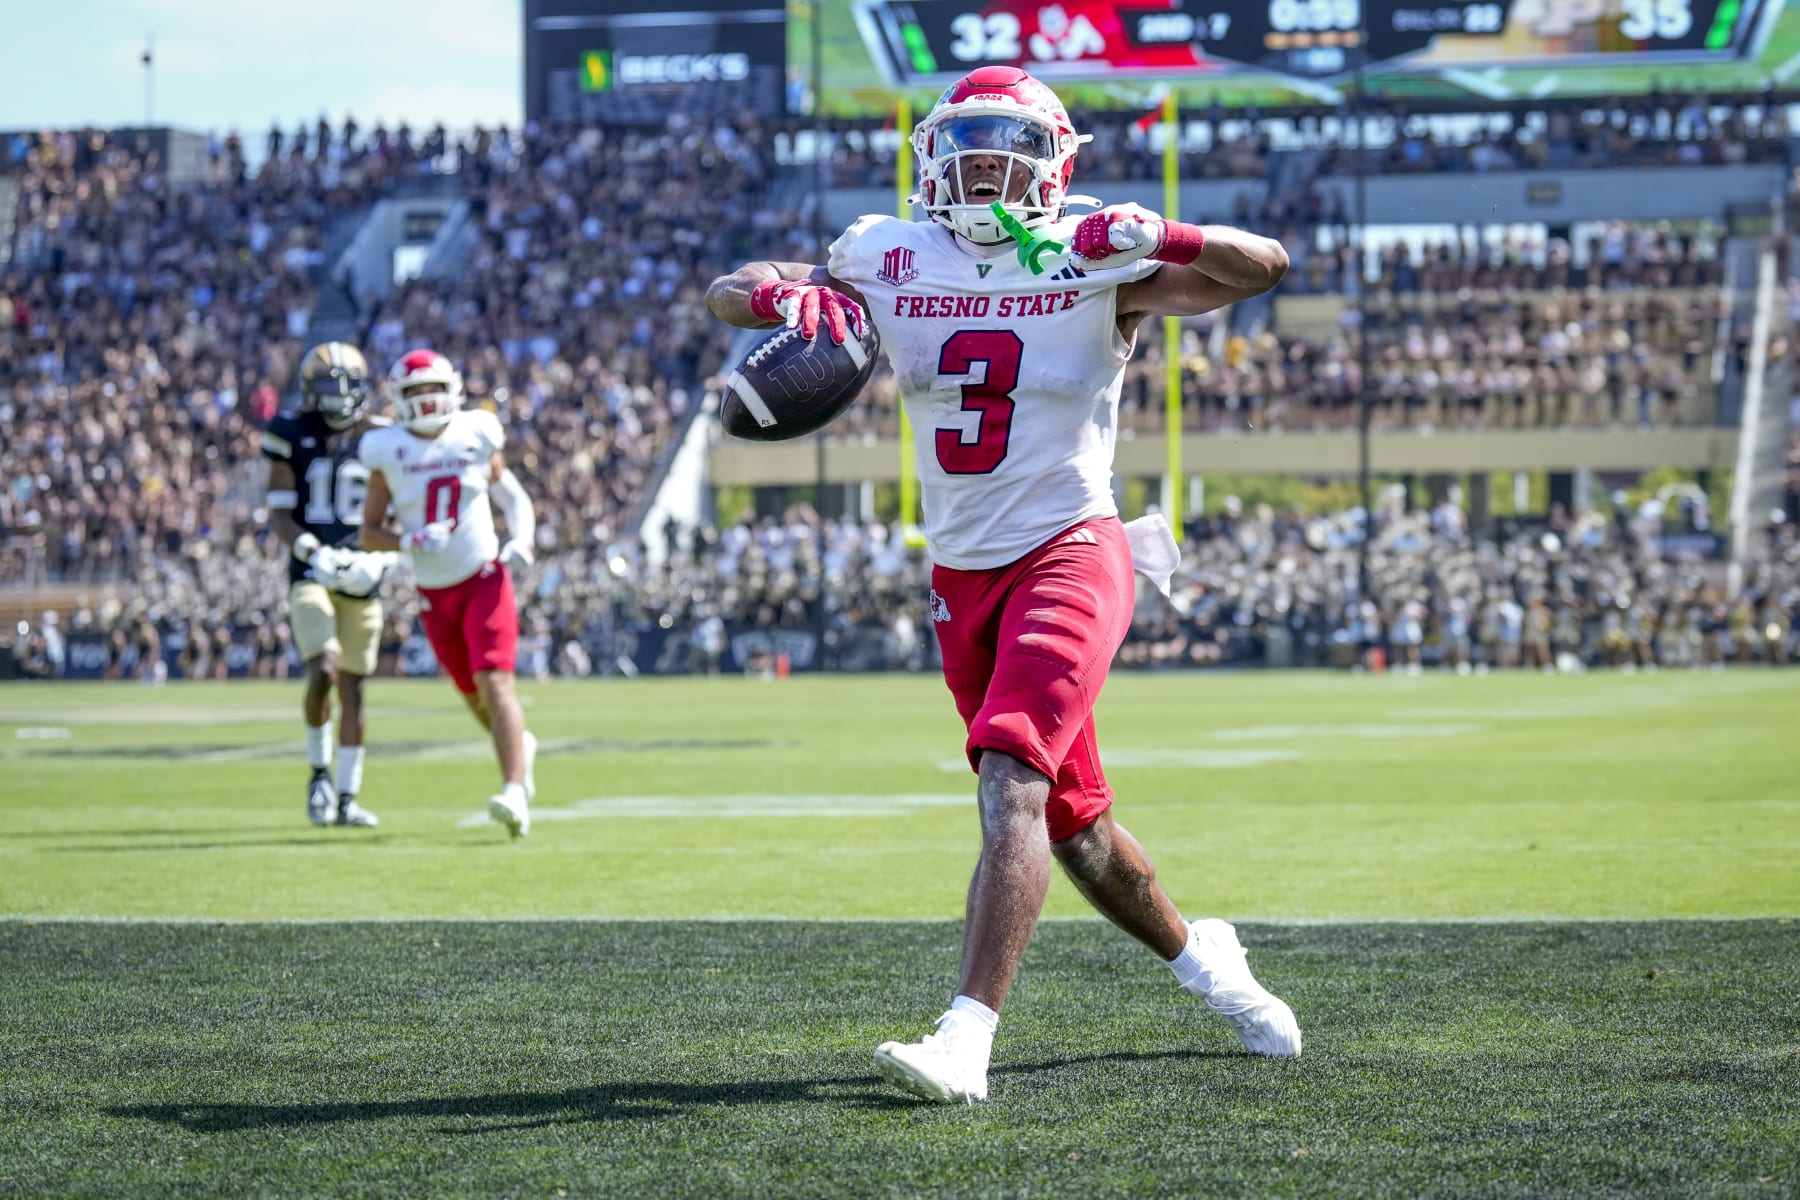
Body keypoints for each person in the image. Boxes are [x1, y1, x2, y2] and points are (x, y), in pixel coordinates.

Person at [706, 66, 1300, 1105]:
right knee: (1076, 832)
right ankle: (1209, 962)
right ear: (934, 159)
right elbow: (729, 289)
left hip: (1072, 546)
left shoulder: (1089, 251)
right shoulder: (887, 252)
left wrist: (1164, 235)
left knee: (1009, 782)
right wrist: (778, 295)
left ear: (1050, 165)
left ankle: (965, 1040)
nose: (984, 170)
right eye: (967, 150)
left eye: (1005, 152)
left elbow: (1263, 267)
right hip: (962, 573)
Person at [358, 349, 540, 838]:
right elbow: (369, 531)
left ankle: (515, 791)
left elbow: (514, 497)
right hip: (432, 590)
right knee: (471, 693)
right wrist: (407, 541)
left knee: (495, 682)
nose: (425, 400)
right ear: (398, 398)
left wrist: (520, 540)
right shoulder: (387, 449)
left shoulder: (474, 434)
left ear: (452, 391)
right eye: (415, 392)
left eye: (433, 389)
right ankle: (521, 749)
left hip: (483, 575)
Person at [262, 342, 391, 828]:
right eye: (327, 387)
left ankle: (348, 797)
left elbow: (396, 510)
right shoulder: (289, 432)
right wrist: (313, 551)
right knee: (324, 672)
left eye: (345, 386)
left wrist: (385, 563)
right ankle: (319, 775)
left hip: (364, 575)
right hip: (312, 573)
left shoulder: (381, 436)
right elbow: (279, 514)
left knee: (355, 691)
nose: (337, 398)